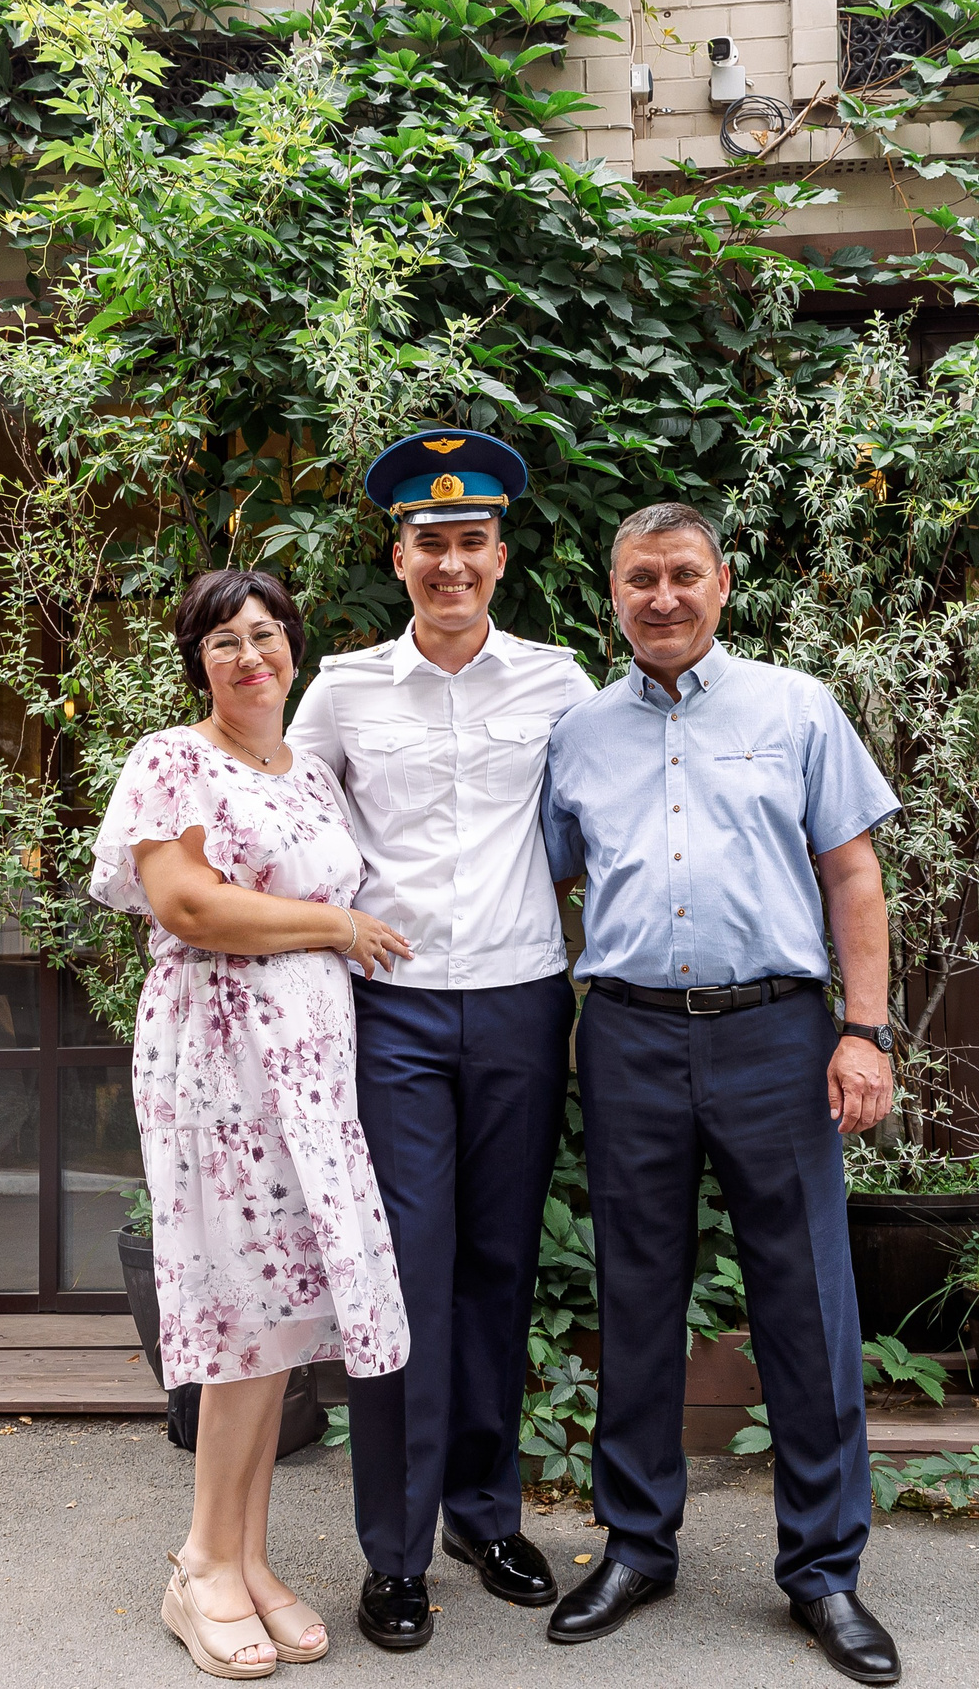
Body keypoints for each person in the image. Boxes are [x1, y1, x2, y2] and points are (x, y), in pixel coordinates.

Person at [541, 502, 905, 1686]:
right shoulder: (577, 733)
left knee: (807, 1303)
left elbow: (852, 872)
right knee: (636, 1295)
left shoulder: (794, 708)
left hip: (777, 1035)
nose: (663, 596)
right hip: (630, 1036)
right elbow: (547, 884)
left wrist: (864, 1032)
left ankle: (825, 1572)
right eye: (640, 577)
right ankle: (636, 1548)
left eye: (683, 574)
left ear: (723, 581)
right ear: (613, 593)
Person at [284, 427, 595, 1652]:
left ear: (501, 556)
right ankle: (395, 1549)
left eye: (471, 541)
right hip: (395, 1009)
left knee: (497, 1267)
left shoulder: (558, 683)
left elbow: (597, 821)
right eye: (430, 543)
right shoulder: (344, 689)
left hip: (521, 999)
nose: (451, 562)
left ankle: (483, 1514)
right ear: (397, 556)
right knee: (403, 1272)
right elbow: (290, 822)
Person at [89, 568, 415, 1679]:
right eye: (222, 640)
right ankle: (200, 1564)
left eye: (265, 634)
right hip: (220, 1059)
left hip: (312, 1069)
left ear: (293, 651)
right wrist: (336, 926)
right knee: (237, 1302)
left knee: (282, 1304)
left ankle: (247, 1553)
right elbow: (189, 904)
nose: (248, 655)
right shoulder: (172, 759)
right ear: (199, 661)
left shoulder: (310, 772)